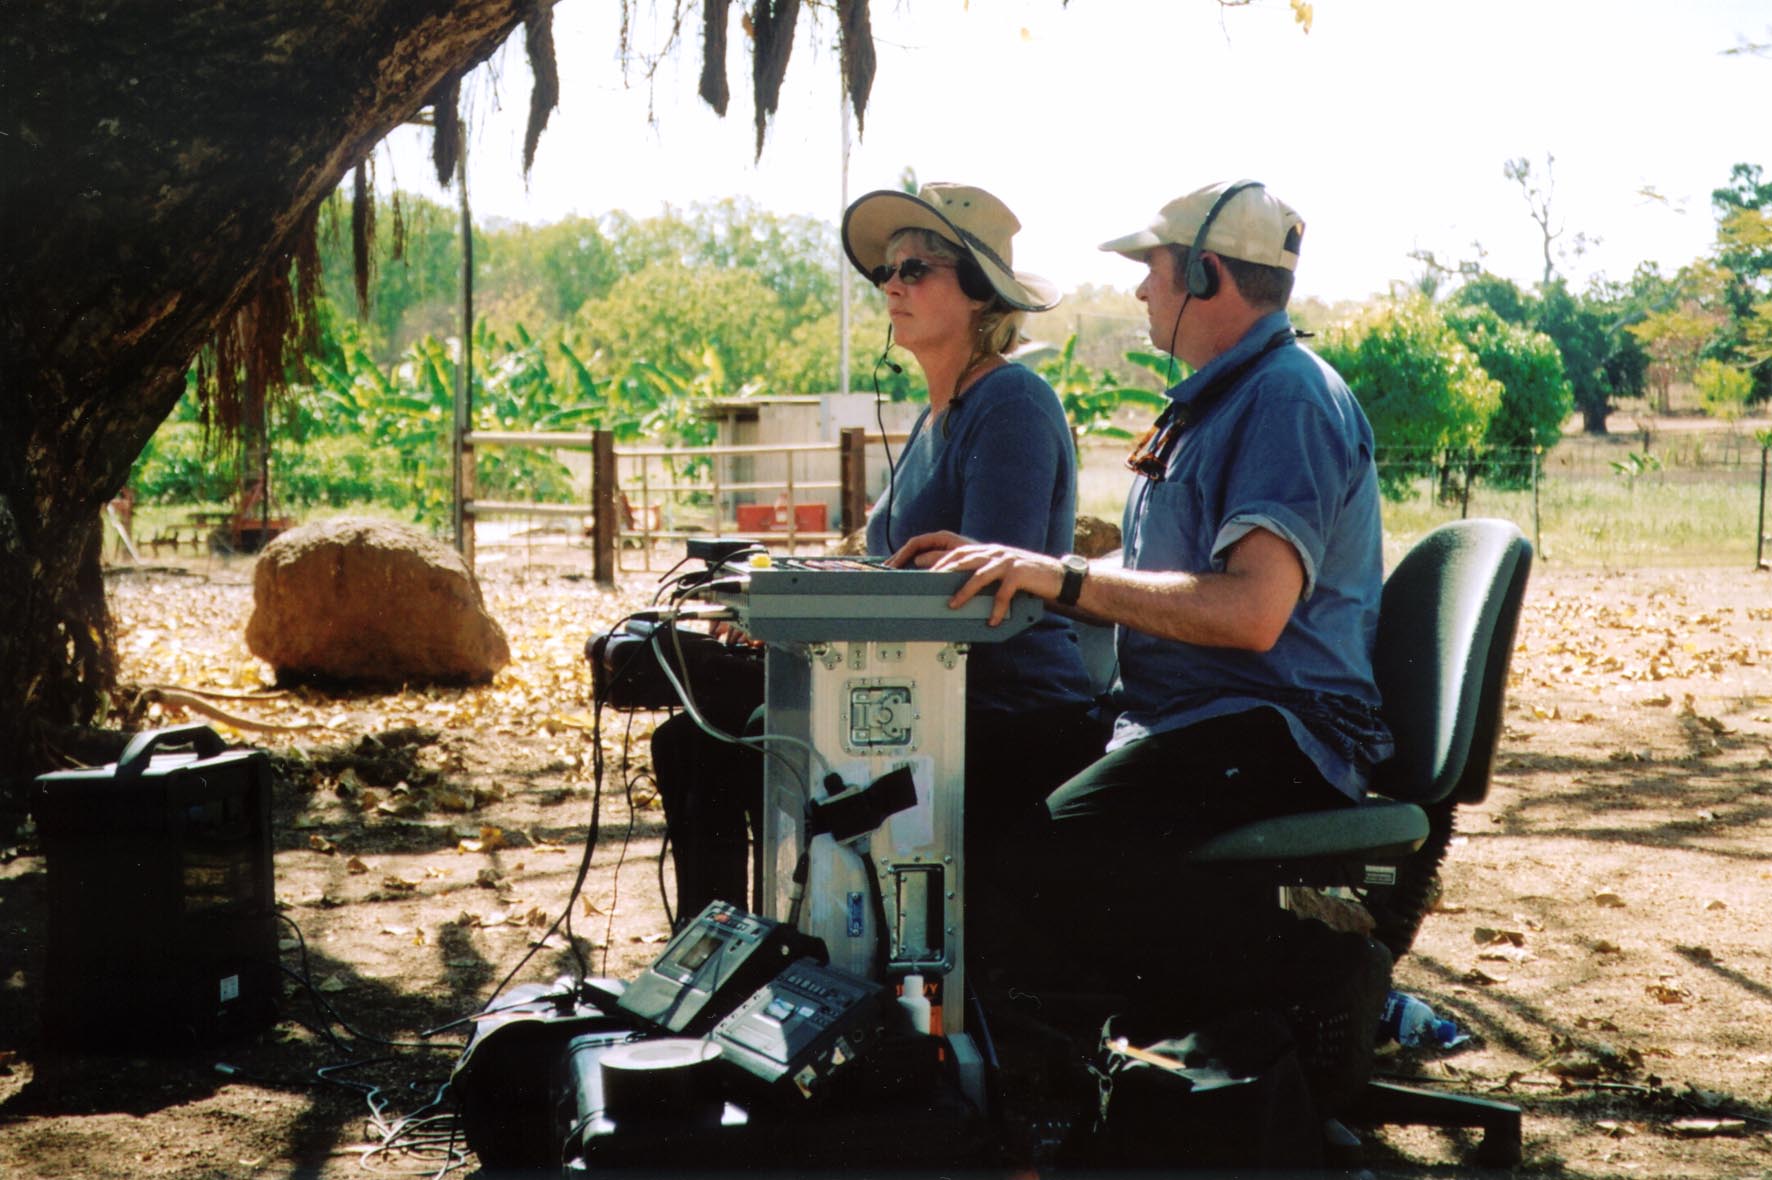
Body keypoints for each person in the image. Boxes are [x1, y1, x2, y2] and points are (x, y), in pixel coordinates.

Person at [890, 180, 1395, 1043]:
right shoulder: (1223, 397)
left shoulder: (1287, 400)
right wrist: (1048, 572)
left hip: (1274, 729)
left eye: (1152, 270)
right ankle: (1159, 1051)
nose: (1139, 290)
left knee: (1034, 873)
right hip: (1185, 721)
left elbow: (1252, 612)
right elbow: (1172, 571)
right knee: (990, 821)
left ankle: (1322, 978)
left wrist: (1067, 581)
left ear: (1204, 275)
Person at [651, 182, 1103, 923]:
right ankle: (724, 957)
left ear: (983, 297)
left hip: (1004, 707)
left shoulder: (1011, 404)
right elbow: (888, 570)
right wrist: (777, 605)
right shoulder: (936, 417)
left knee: (757, 733)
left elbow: (992, 596)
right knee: (691, 737)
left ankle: (798, 945)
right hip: (923, 694)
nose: (892, 285)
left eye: (917, 269)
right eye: (886, 272)